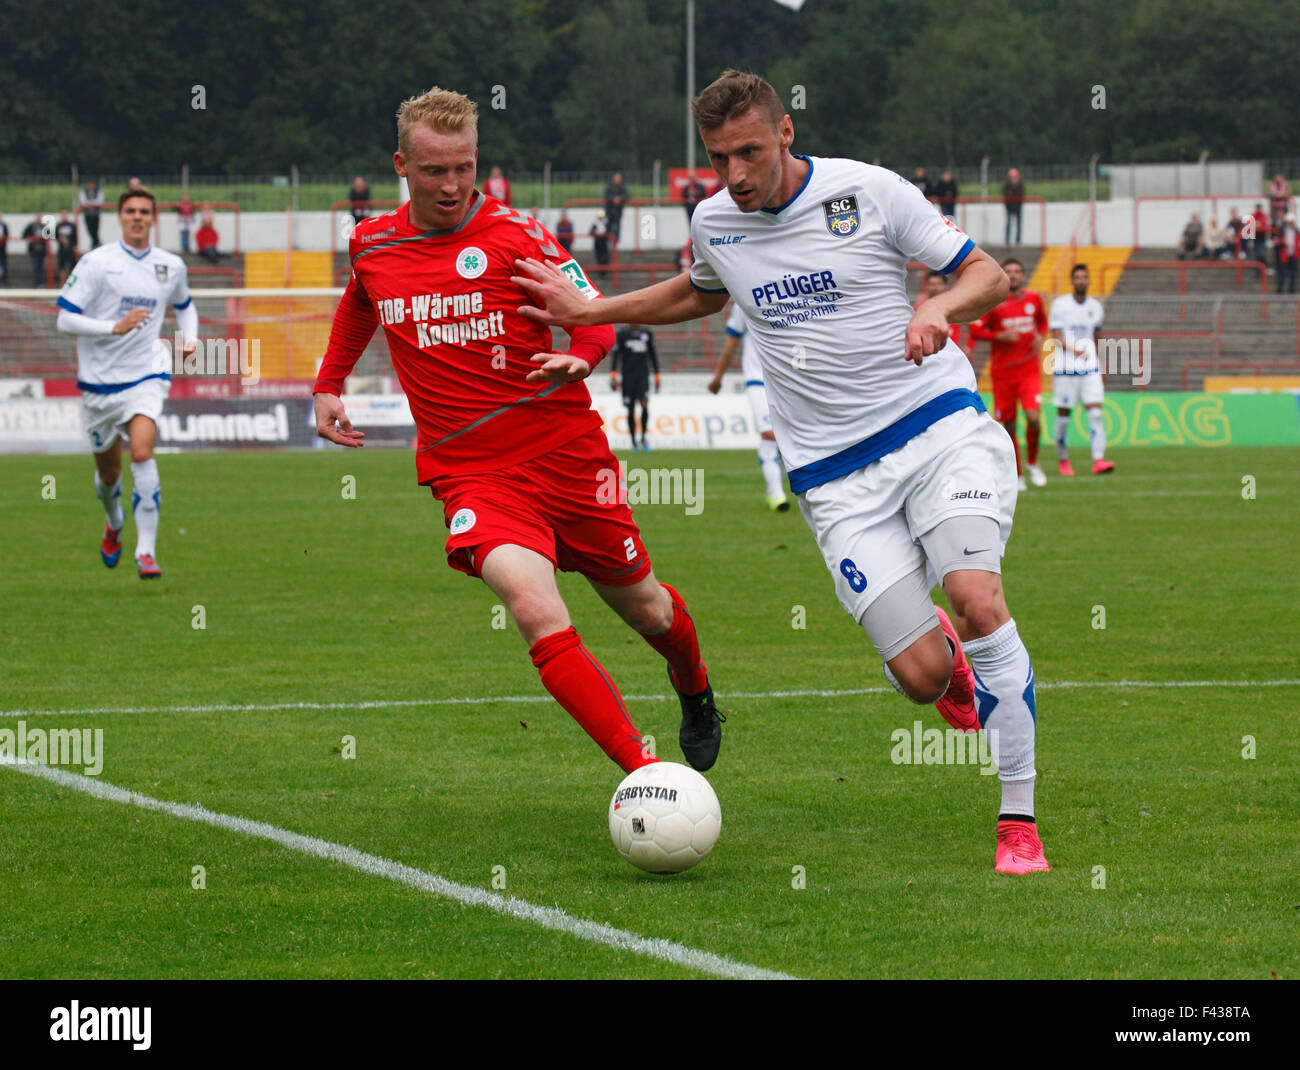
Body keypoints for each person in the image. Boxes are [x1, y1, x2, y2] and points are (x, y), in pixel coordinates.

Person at [514, 69, 1049, 874]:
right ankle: (943, 667)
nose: (734, 174)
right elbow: (699, 294)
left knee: (977, 598)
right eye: (718, 157)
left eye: (749, 153)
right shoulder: (715, 222)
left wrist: (936, 307)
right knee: (920, 675)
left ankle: (1017, 819)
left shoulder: (869, 192)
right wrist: (593, 312)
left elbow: (983, 273)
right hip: (835, 477)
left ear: (786, 134)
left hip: (937, 429)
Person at [313, 86, 724, 776]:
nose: (452, 186)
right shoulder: (372, 245)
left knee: (647, 610)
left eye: (465, 168)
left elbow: (590, 314)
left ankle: (695, 687)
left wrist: (581, 354)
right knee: (534, 607)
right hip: (471, 474)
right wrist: (329, 383)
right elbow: (361, 299)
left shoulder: (517, 236)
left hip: (566, 456)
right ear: (401, 167)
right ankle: (647, 776)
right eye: (435, 170)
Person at [54, 185, 198, 579]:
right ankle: (114, 523)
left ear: (154, 218)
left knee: (141, 452)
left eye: (145, 212)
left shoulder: (171, 265)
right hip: (99, 385)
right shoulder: (96, 263)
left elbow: (185, 306)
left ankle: (146, 552)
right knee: (109, 475)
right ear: (120, 217)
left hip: (147, 373)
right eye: (131, 211)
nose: (138, 217)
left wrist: (191, 339)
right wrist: (112, 328)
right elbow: (64, 317)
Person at [969, 259, 1048, 491]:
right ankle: (1018, 473)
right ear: (1003, 275)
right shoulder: (995, 303)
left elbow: (1042, 322)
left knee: (1033, 418)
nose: (1013, 275)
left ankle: (1033, 462)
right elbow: (976, 330)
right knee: (1009, 426)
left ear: (1023, 275)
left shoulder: (1034, 300)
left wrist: (1040, 335)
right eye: (1009, 272)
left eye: (1017, 271)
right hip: (1003, 374)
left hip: (1028, 371)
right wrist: (999, 337)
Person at [707, 301, 790, 511]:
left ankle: (783, 488)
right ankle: (776, 494)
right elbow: (731, 342)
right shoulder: (743, 302)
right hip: (758, 381)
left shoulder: (788, 299)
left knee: (786, 436)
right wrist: (718, 377)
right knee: (769, 435)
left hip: (786, 381)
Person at [1048, 264, 1113, 477]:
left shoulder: (1095, 306)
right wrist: (1074, 350)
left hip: (1090, 368)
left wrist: (1102, 364)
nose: (1081, 280)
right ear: (1072, 280)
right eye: (1077, 277)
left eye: (1085, 277)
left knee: (1095, 413)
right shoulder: (1060, 305)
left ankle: (1099, 460)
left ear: (1089, 280)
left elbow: (1097, 338)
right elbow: (1056, 336)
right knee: (1064, 417)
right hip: (1066, 368)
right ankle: (1063, 460)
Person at [609, 324, 659, 452]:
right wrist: (613, 373)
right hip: (628, 377)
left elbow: (653, 354)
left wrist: (657, 374)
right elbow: (616, 355)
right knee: (630, 409)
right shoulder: (623, 335)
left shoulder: (647, 334)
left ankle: (643, 438)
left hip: (643, 376)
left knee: (644, 404)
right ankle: (633, 442)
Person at [915, 271, 971, 363]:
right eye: (931, 284)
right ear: (927, 287)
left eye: (938, 284)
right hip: (930, 357)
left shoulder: (955, 306)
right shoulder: (919, 309)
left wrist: (969, 345)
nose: (935, 288)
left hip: (952, 356)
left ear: (945, 286)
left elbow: (972, 326)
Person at [22, 214, 48, 286]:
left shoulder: (44, 227)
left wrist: (42, 238)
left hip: (42, 250)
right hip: (33, 250)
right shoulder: (31, 226)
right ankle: (37, 283)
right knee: (36, 266)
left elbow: (49, 236)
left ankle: (40, 282)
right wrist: (32, 238)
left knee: (41, 266)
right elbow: (24, 235)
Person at [1274, 213, 1298, 294]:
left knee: (1293, 273)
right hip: (1284, 254)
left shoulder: (1296, 230)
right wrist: (1282, 242)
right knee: (1282, 273)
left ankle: (1292, 290)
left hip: (1293, 254)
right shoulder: (1281, 230)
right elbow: (1276, 241)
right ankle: (1280, 290)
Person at [55, 210, 78, 286]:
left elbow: (75, 237)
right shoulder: (58, 226)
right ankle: (62, 283)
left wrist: (75, 246)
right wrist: (61, 239)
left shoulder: (71, 225)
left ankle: (72, 283)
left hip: (70, 249)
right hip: (62, 249)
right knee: (62, 266)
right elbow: (54, 236)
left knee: (72, 265)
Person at [78, 180, 104, 248]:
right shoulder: (83, 192)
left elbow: (99, 201)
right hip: (87, 214)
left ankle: (95, 243)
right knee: (90, 230)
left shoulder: (98, 191)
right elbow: (83, 202)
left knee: (95, 229)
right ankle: (96, 242)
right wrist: (92, 203)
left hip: (96, 214)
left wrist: (90, 203)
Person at [1002, 167, 1025, 245]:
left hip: (1018, 207)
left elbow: (1020, 194)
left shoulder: (1020, 184)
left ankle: (1018, 242)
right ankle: (1007, 242)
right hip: (1009, 207)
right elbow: (1006, 194)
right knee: (1008, 224)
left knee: (1018, 225)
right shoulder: (1006, 184)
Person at [603, 172, 628, 240]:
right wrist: (613, 199)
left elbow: (626, 195)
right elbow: (605, 195)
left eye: (619, 179)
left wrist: (620, 199)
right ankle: (607, 240)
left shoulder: (623, 186)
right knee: (608, 226)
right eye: (616, 178)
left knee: (617, 227)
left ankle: (616, 240)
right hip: (609, 210)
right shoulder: (609, 186)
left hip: (618, 211)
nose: (618, 180)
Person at [0, 212, 9, 286]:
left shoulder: (4, 225)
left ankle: (3, 281)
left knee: (3, 265)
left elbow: (7, 236)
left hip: (2, 249)